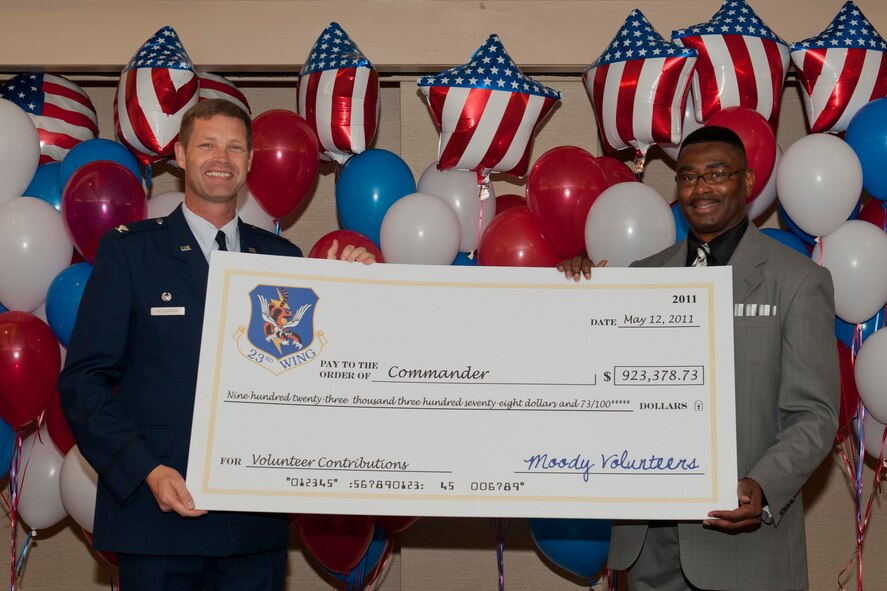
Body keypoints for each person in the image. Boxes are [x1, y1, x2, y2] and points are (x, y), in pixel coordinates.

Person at [58, 98, 373, 590]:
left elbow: (315, 376)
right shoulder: (131, 251)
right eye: (206, 145)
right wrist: (146, 471)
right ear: (180, 155)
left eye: (234, 147)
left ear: (249, 162)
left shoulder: (282, 260)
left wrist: (354, 293)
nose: (220, 157)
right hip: (156, 520)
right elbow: (83, 383)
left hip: (252, 527)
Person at [559, 126, 839, 590]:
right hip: (647, 550)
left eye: (716, 173)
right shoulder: (640, 277)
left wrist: (764, 486)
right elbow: (599, 387)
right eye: (688, 177)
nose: (701, 188)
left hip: (741, 549)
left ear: (748, 183)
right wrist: (576, 295)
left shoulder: (796, 281)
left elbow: (815, 414)